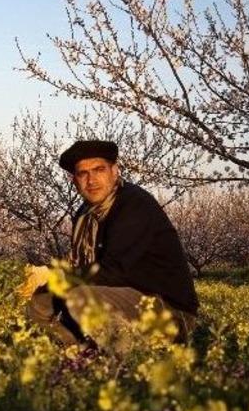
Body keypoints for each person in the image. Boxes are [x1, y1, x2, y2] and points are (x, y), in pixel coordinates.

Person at [23, 140, 199, 346]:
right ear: (75, 181)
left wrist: (57, 276)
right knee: (39, 303)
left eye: (99, 170)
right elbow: (79, 265)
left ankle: (125, 363)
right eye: (83, 174)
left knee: (79, 297)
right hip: (122, 298)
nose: (91, 180)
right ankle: (76, 354)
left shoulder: (134, 205)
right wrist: (43, 276)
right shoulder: (84, 215)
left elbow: (116, 271)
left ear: (115, 171)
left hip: (168, 311)